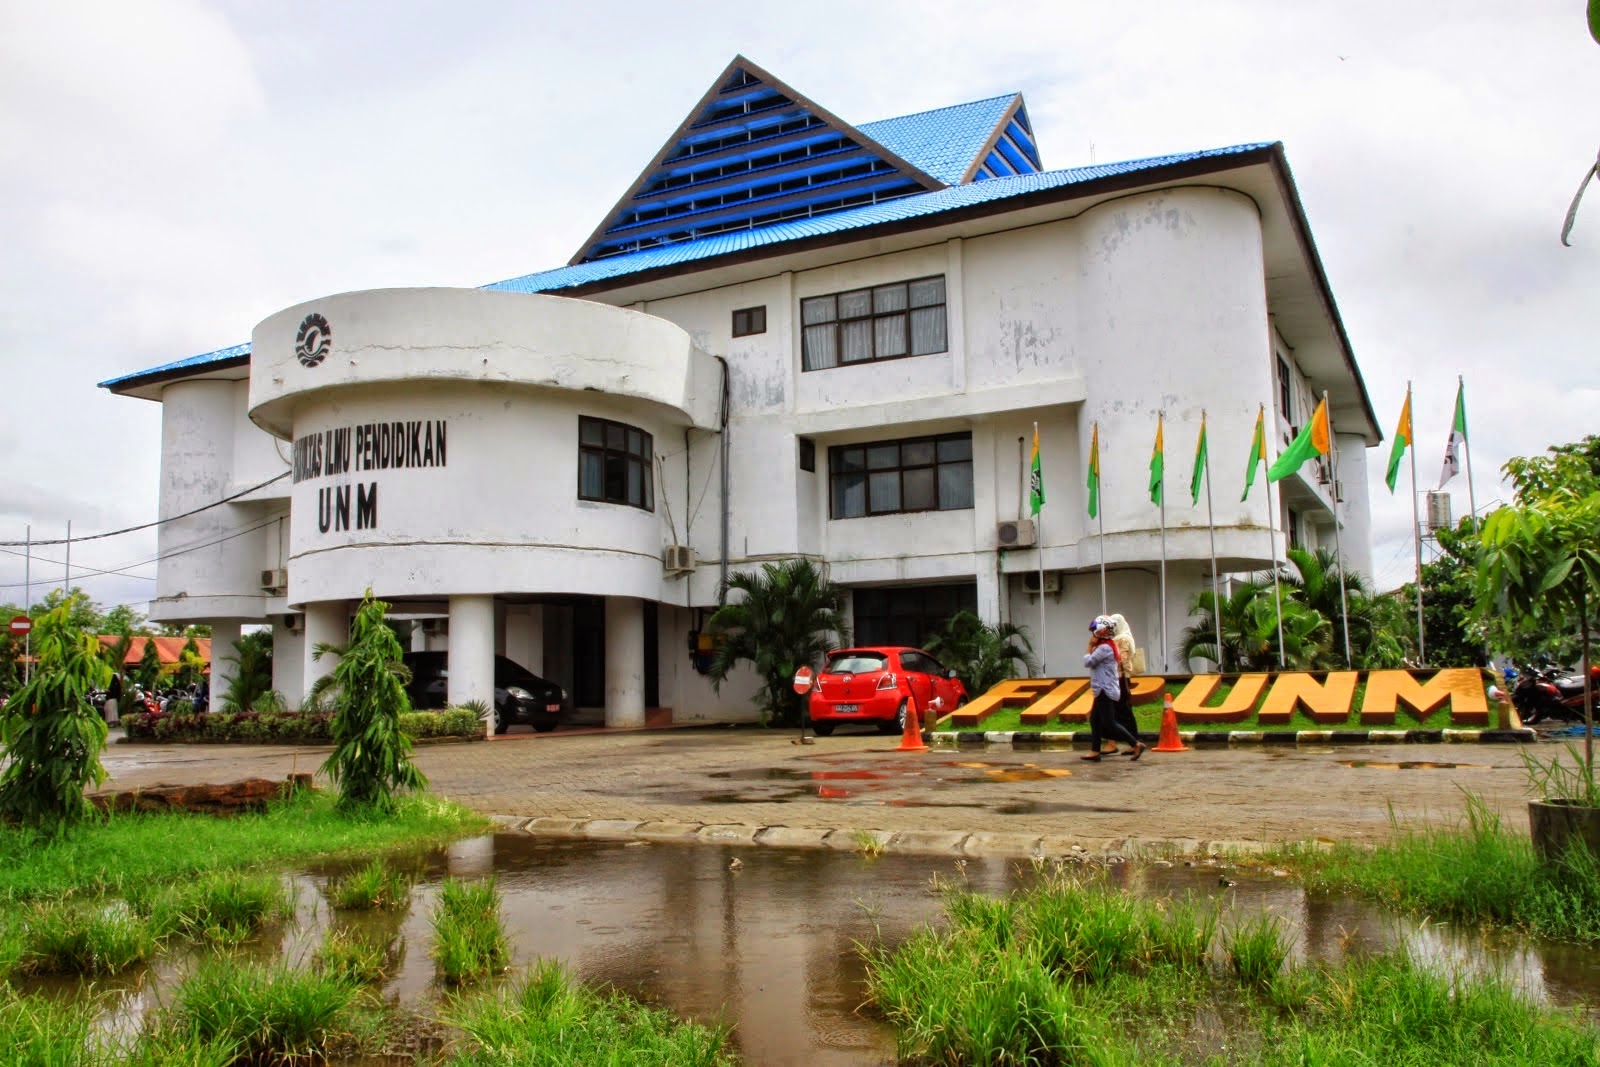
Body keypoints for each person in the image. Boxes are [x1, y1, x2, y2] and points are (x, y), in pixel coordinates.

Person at [1081, 616, 1145, 762]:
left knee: (1110, 722)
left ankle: (1136, 744)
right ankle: (1094, 751)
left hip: (1105, 689)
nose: (1092, 635)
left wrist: (1089, 647)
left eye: (1094, 632)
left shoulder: (1104, 648)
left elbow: (1088, 661)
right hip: (1102, 688)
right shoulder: (1108, 645)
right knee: (1095, 720)